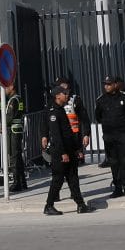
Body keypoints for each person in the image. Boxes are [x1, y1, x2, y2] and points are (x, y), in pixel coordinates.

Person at [40, 84, 91, 216]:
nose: (67, 96)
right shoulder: (53, 112)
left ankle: (81, 204)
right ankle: (49, 205)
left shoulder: (61, 109)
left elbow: (68, 133)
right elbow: (57, 135)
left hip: (69, 150)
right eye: (65, 94)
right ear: (58, 96)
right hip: (60, 152)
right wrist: (63, 153)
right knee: (58, 179)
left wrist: (76, 149)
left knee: (73, 178)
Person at [93, 75, 125, 196]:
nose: (106, 86)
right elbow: (98, 117)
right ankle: (117, 188)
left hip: (123, 134)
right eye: (105, 84)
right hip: (109, 135)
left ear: (115, 85)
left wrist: (121, 123)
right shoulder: (101, 100)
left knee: (124, 161)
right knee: (113, 162)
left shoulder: (124, 98)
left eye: (109, 84)